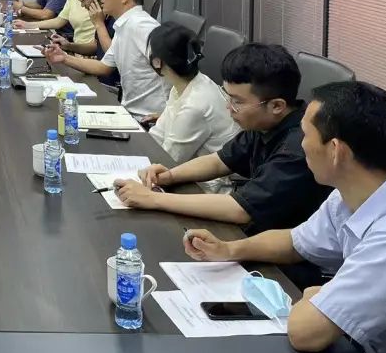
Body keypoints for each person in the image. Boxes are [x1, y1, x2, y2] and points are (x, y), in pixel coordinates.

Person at [184, 82, 386, 353]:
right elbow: (295, 242)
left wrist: (321, 294)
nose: (300, 144)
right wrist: (229, 250)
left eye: (306, 134)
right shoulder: (351, 196)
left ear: (335, 150)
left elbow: (306, 333)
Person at [114, 43, 331, 233]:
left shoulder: (298, 148)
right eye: (228, 97)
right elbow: (219, 161)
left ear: (276, 105)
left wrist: (153, 198)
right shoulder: (265, 123)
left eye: (237, 101)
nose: (229, 107)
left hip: (282, 254)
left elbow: (241, 210)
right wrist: (169, 176)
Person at [44, 0, 166, 116]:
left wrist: (165, 116)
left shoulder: (143, 27)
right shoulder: (124, 24)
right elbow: (104, 67)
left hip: (146, 118)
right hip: (129, 111)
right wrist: (63, 57)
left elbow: (178, 76)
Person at [145, 22, 238, 190]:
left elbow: (169, 160)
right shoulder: (184, 85)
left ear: (158, 62)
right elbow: (158, 134)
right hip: (187, 175)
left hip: (207, 189)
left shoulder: (196, 104)